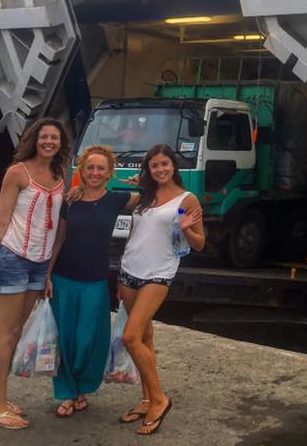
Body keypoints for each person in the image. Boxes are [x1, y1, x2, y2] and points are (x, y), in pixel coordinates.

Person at [0, 117, 70, 430]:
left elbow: (57, 224)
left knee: (16, 333)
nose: (49, 142)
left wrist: (49, 272)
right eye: (44, 137)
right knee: (5, 334)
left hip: (39, 263)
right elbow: (0, 219)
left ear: (61, 143)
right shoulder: (17, 172)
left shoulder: (61, 174)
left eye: (54, 137)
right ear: (34, 140)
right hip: (13, 257)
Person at [45, 145, 139, 418]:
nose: (95, 173)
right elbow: (59, 239)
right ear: (82, 170)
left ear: (109, 172)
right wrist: (47, 275)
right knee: (64, 340)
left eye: (101, 168)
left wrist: (141, 179)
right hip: (63, 278)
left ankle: (84, 386)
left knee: (89, 340)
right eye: (90, 167)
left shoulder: (117, 199)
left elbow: (154, 195)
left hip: (95, 281)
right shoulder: (70, 200)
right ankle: (67, 393)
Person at [117, 143, 205, 435]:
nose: (160, 169)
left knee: (130, 337)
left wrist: (185, 226)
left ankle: (159, 400)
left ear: (173, 166)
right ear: (149, 169)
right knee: (144, 336)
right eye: (155, 165)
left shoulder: (186, 199)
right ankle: (145, 399)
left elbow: (200, 243)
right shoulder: (146, 195)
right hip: (130, 269)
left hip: (158, 273)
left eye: (165, 164)